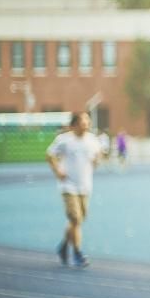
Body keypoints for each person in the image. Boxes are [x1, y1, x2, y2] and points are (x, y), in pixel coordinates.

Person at [46, 111, 104, 267]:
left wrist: (98, 160)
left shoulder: (92, 140)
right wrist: (58, 171)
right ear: (74, 125)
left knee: (77, 221)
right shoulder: (64, 140)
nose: (87, 125)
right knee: (76, 219)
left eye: (88, 122)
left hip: (85, 186)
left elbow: (97, 157)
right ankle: (77, 253)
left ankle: (64, 246)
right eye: (83, 122)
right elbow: (49, 155)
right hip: (68, 186)